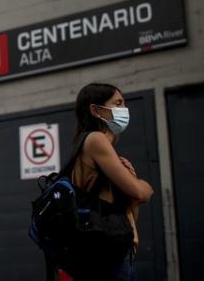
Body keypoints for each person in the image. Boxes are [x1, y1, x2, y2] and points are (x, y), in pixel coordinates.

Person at [61, 83, 154, 281]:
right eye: (118, 103)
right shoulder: (96, 139)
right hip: (105, 255)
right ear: (95, 110)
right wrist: (144, 186)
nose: (124, 109)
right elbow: (138, 192)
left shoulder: (90, 145)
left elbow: (125, 206)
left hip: (103, 252)